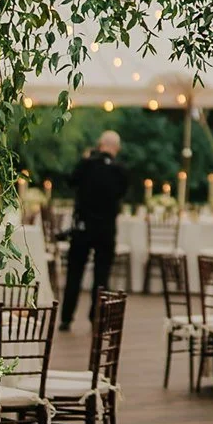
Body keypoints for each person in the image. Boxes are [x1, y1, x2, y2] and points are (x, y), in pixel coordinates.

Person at [61, 130, 129, 330]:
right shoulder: (120, 170)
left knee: (74, 272)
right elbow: (122, 193)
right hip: (106, 229)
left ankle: (66, 317)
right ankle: (96, 317)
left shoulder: (87, 164)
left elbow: (70, 181)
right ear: (116, 148)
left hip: (83, 227)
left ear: (100, 145)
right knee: (102, 275)